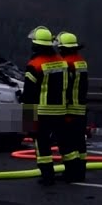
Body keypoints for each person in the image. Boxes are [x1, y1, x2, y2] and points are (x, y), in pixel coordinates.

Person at [21, 27, 69, 186]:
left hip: (42, 113)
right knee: (64, 142)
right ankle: (71, 171)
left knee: (42, 145)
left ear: (36, 46)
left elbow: (29, 95)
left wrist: (28, 123)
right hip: (61, 112)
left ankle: (48, 176)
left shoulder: (34, 65)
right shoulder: (62, 63)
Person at [58, 31, 89, 183]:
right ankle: (81, 171)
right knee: (80, 142)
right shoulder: (81, 62)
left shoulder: (66, 64)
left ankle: (71, 172)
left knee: (67, 142)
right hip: (81, 108)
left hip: (69, 109)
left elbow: (65, 88)